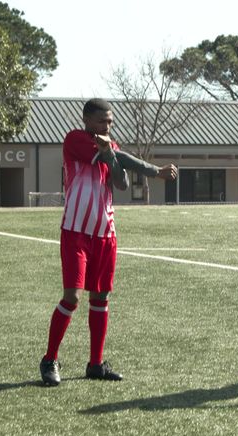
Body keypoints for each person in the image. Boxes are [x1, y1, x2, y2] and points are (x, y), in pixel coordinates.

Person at [40, 98, 177, 386]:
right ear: (88, 120)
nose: (107, 126)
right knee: (72, 297)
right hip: (76, 231)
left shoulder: (110, 149)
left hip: (105, 233)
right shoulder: (75, 139)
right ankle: (50, 359)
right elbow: (122, 159)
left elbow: (122, 183)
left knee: (100, 298)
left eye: (110, 122)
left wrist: (114, 156)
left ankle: (96, 364)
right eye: (102, 121)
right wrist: (155, 171)